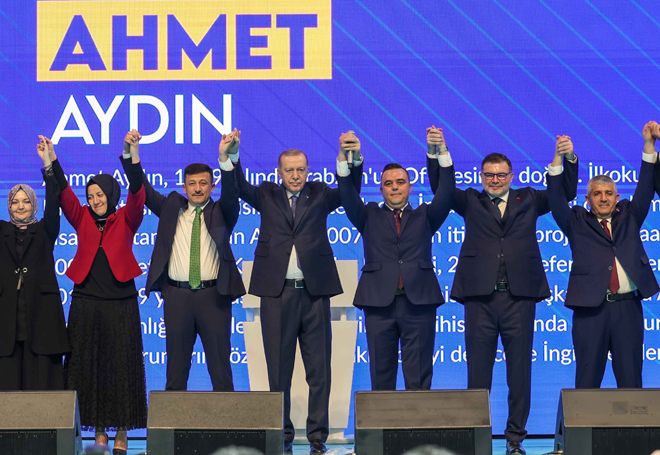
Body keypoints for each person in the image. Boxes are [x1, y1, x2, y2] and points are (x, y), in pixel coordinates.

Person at [427, 127, 578, 455]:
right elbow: (441, 188)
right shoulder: (470, 200)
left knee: (519, 374)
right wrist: (439, 152)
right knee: (478, 374)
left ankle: (515, 440)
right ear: (481, 176)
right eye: (489, 175)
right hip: (479, 298)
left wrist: (565, 159)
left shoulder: (530, 199)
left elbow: (563, 194)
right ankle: (477, 439)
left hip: (519, 297)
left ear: (511, 176)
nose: (494, 180)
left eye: (500, 175)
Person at [219, 129, 363, 454]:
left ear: (308, 171)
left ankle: (317, 438)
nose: (295, 175)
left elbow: (350, 191)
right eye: (289, 170)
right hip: (277, 294)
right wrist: (231, 156)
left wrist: (348, 160)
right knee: (278, 372)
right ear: (279, 172)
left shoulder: (320, 193)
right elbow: (239, 185)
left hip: (314, 294)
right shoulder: (266, 194)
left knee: (319, 371)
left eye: (300, 169)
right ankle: (282, 436)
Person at [53, 132, 148, 455]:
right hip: (86, 303)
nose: (94, 200)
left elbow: (138, 191)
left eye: (99, 195)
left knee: (121, 369)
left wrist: (132, 155)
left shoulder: (127, 218)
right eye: (90, 195)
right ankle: (99, 431)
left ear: (111, 194)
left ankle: (121, 430)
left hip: (121, 304)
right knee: (88, 370)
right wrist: (51, 161)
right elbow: (64, 192)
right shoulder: (80, 217)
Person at [337, 133, 455, 391]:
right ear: (381, 190)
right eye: (388, 183)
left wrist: (441, 152)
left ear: (410, 187)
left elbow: (447, 193)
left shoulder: (426, 215)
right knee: (381, 377)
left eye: (400, 182)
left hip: (419, 303)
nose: (394, 187)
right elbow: (347, 194)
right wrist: (345, 159)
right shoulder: (368, 215)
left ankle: (418, 419)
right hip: (379, 304)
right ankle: (383, 420)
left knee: (419, 377)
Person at [547, 122, 660, 389]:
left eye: (609, 193)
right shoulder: (576, 222)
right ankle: (584, 421)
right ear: (588, 200)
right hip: (590, 312)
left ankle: (632, 420)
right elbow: (555, 198)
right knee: (587, 382)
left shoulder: (630, 215)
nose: (603, 198)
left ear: (617, 197)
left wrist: (649, 144)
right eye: (597, 194)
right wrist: (559, 159)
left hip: (627, 309)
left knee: (631, 381)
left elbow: (646, 185)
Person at [131, 131, 244, 392]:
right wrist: (133, 155)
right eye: (192, 184)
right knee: (176, 371)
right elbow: (143, 190)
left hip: (214, 297)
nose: (197, 188)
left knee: (221, 371)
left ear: (212, 187)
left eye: (203, 183)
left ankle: (226, 419)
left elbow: (231, 193)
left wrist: (224, 158)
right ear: (184, 187)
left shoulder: (223, 211)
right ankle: (172, 419)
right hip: (177, 297)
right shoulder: (172, 207)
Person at [0, 136, 69, 390]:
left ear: (34, 204)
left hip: (41, 317)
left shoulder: (44, 230)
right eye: (15, 201)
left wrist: (48, 165)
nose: (21, 206)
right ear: (9, 206)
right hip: (7, 318)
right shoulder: (2, 231)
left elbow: (54, 202)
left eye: (26, 201)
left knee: (42, 388)